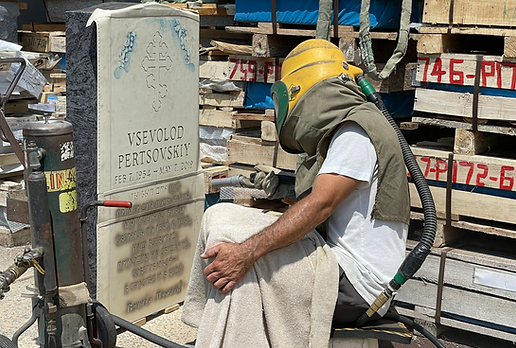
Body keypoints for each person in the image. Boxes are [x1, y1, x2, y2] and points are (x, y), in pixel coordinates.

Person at [181, 39, 410, 348]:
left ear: (300, 93)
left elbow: (321, 204)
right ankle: (208, 327)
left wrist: (248, 252)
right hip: (340, 266)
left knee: (244, 260)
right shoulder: (351, 128)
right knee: (218, 216)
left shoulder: (356, 132)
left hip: (356, 284)